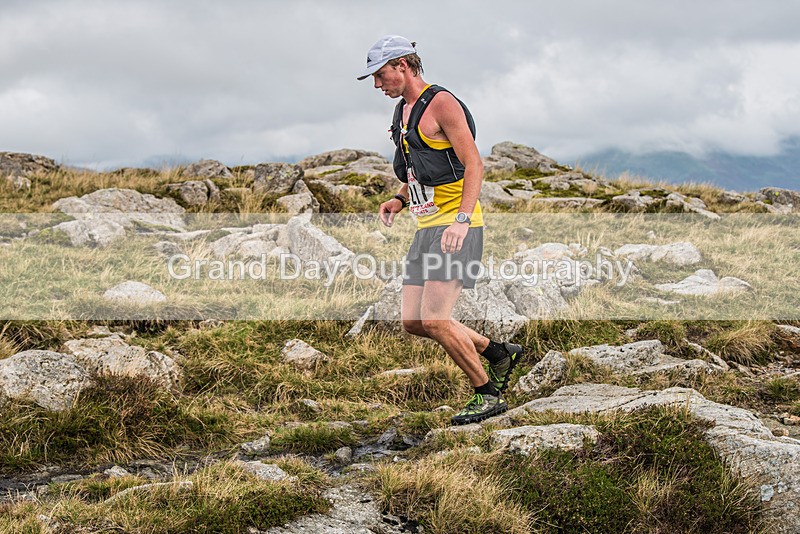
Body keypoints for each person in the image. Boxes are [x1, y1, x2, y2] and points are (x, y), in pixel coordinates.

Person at [357, 35, 524, 424]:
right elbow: (418, 167)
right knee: (414, 322)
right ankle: (498, 352)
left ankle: (487, 394)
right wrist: (399, 199)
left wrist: (462, 221)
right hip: (426, 226)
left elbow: (474, 165)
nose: (379, 85)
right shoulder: (403, 111)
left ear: (403, 65)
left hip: (455, 226)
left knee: (435, 319)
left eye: (381, 76)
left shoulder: (442, 103)